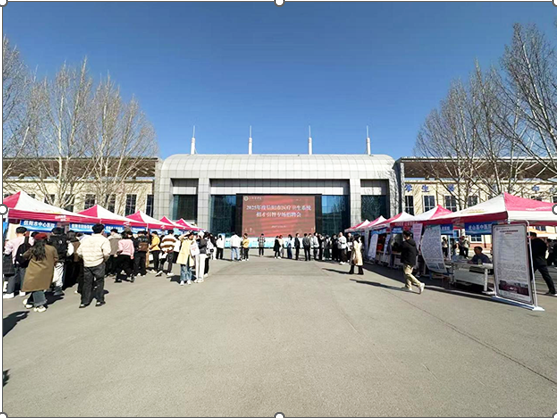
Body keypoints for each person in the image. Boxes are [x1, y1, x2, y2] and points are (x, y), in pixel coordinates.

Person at [21, 233, 58, 313]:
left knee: (36, 287)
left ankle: (39, 304)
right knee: (39, 287)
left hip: (33, 271)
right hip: (47, 271)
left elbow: (24, 256)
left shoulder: (33, 249)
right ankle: (30, 301)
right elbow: (56, 259)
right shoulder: (51, 249)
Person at [77, 224, 111, 308]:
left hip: (87, 263)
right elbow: (106, 253)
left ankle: (84, 301)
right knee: (99, 282)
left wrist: (85, 257)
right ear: (102, 231)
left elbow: (79, 252)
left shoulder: (86, 239)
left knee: (87, 282)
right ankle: (99, 300)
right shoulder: (104, 240)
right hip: (99, 262)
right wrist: (104, 259)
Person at [3, 226, 33, 299]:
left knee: (12, 276)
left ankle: (10, 292)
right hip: (26, 261)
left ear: (16, 232)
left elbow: (7, 252)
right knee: (24, 275)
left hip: (15, 260)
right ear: (25, 233)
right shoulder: (30, 240)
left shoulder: (12, 241)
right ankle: (22, 291)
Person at [529, 232, 556, 296]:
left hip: (534, 261)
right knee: (546, 276)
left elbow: (531, 251)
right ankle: (552, 290)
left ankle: (526, 288)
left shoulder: (532, 243)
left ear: (532, 236)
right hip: (542, 261)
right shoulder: (542, 242)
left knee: (529, 275)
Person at [48, 227, 69, 296]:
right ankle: (58, 289)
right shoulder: (64, 240)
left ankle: (49, 287)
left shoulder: (50, 240)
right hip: (60, 259)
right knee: (59, 274)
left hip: (50, 259)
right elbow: (69, 250)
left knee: (50, 273)